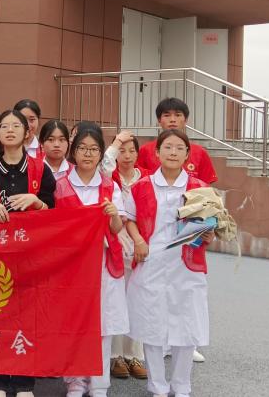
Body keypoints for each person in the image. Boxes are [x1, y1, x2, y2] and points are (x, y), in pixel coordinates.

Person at [125, 129, 215, 397]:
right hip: (151, 263)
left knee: (186, 326)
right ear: (157, 153)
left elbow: (210, 225)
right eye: (168, 147)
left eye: (179, 148)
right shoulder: (141, 187)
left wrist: (209, 234)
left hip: (186, 265)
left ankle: (181, 385)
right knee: (152, 326)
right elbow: (129, 218)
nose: (173, 152)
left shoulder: (199, 188)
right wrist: (138, 240)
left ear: (187, 155)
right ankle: (157, 386)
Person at [0, 109, 56, 397]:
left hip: (30, 254)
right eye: (4, 126)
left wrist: (36, 201)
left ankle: (23, 381)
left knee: (26, 315)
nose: (9, 130)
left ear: (27, 132)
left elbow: (53, 210)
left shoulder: (40, 169)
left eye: (15, 126)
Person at [56, 127, 128, 397]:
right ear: (73, 152)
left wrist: (113, 214)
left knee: (103, 326)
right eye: (82, 148)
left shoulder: (110, 186)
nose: (88, 154)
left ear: (101, 154)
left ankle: (99, 383)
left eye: (94, 149)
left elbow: (117, 227)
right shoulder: (60, 185)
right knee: (73, 324)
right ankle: (74, 381)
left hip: (102, 265)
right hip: (72, 266)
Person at [108, 130, 150, 381]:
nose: (127, 155)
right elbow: (104, 163)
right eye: (121, 151)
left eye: (132, 150)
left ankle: (135, 355)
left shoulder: (147, 178)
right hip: (117, 241)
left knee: (138, 299)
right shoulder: (109, 176)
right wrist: (115, 143)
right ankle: (116, 356)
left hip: (142, 242)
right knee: (117, 299)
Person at [136, 98, 217, 185]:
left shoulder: (200, 152)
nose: (172, 120)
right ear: (159, 120)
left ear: (185, 120)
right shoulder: (145, 151)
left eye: (178, 115)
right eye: (167, 115)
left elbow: (206, 186)